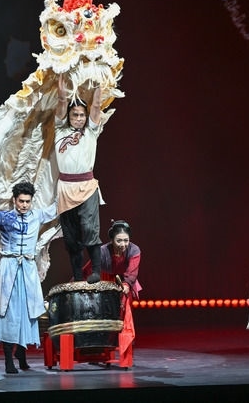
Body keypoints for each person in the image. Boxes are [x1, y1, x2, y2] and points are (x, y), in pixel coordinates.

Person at [0, 181, 56, 374]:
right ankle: (8, 359)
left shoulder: (37, 215)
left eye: (27, 201)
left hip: (28, 268)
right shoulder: (4, 217)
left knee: (27, 311)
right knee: (9, 312)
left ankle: (21, 353)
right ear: (14, 200)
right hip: (9, 268)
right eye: (21, 201)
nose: (24, 205)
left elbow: (57, 208)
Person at [54, 73, 108, 284]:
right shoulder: (60, 129)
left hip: (86, 187)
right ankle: (77, 276)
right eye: (74, 114)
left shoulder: (91, 131)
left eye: (81, 115)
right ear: (69, 116)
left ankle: (96, 271)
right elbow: (61, 102)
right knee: (71, 235)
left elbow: (96, 106)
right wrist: (62, 89)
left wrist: (98, 84)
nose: (78, 118)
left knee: (89, 228)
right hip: (65, 188)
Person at [81, 219, 141, 365]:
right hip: (105, 281)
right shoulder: (102, 251)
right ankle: (99, 348)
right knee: (100, 314)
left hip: (125, 282)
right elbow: (88, 270)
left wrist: (126, 285)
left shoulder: (134, 250)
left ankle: (125, 349)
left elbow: (132, 273)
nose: (123, 244)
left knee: (123, 314)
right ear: (112, 240)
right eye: (119, 240)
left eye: (126, 240)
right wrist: (76, 283)